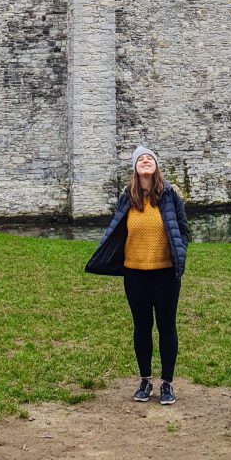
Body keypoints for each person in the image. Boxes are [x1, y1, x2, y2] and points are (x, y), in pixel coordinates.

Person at [85, 146, 190, 405]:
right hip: (135, 274)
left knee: (167, 326)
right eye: (140, 159)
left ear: (156, 166)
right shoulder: (127, 197)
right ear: (135, 168)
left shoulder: (169, 195)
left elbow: (184, 231)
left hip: (165, 274)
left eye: (150, 158)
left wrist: (179, 255)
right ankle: (145, 379)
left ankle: (167, 383)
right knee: (141, 326)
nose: (145, 161)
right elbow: (116, 230)